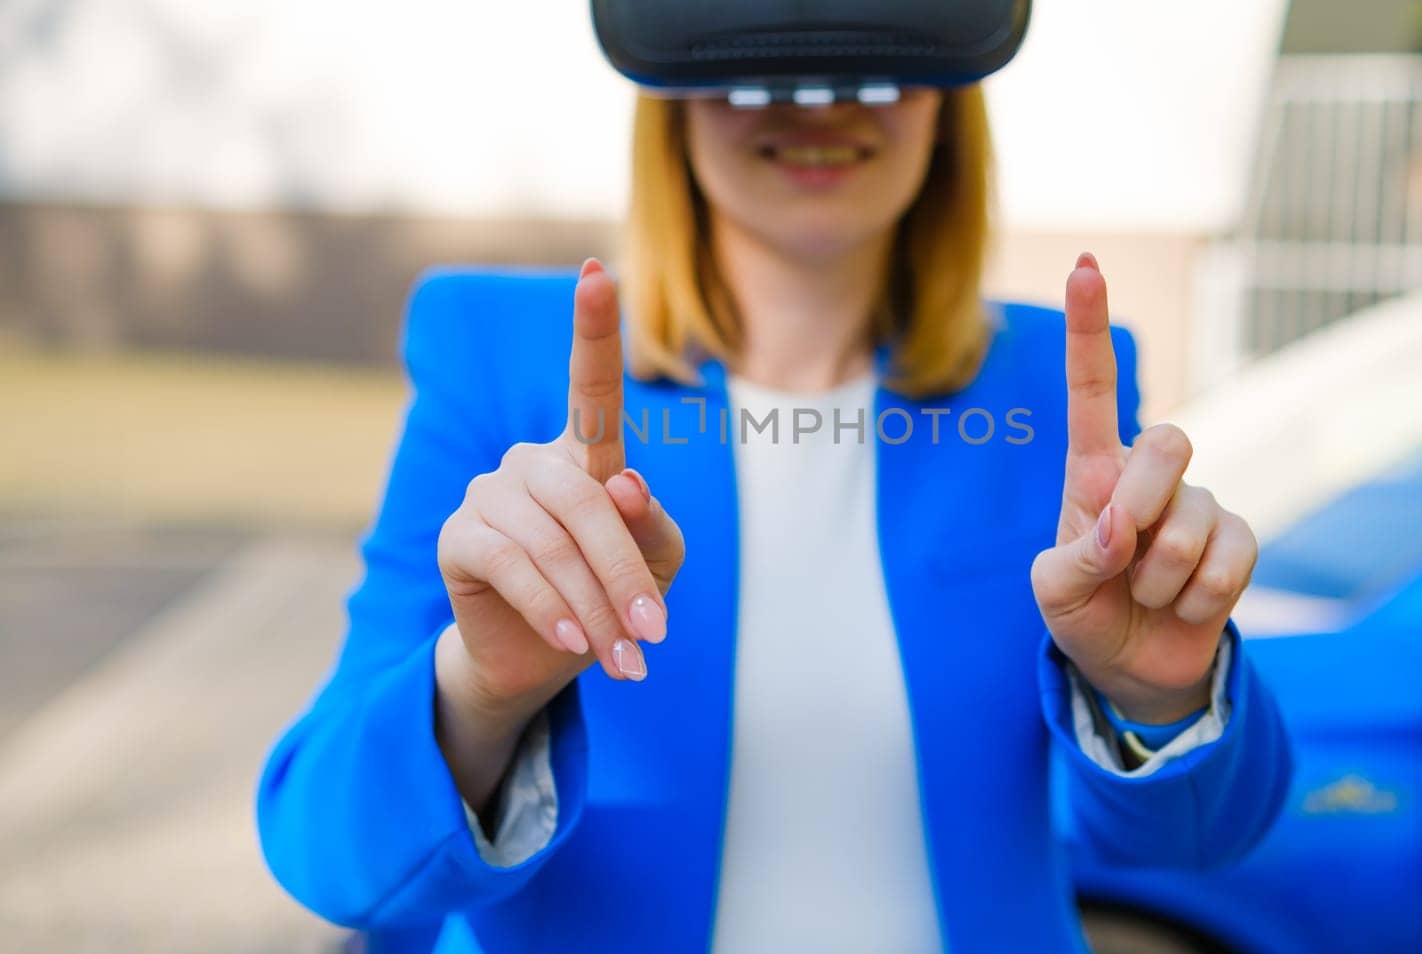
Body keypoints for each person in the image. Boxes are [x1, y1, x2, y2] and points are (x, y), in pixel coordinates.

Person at [257, 83, 1293, 953]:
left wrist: (1159, 702)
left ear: (947, 85)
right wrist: (478, 696)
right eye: (757, 57)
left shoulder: (1049, 385)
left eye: (876, 56)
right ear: (672, 80)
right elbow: (330, 850)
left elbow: (1198, 837)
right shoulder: (503, 356)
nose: (815, 100)